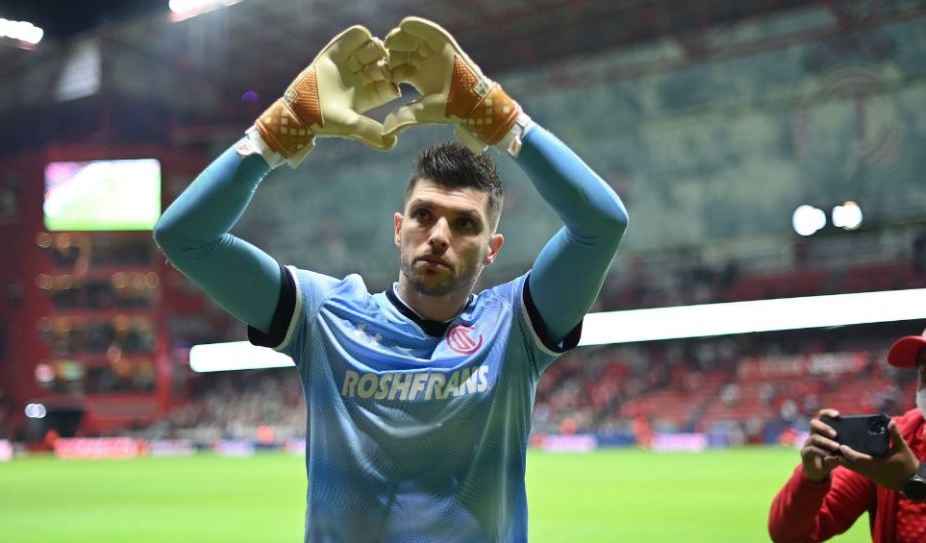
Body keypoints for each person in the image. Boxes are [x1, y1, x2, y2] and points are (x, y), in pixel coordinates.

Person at [154, 17, 628, 542]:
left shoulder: (514, 326)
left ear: (492, 250)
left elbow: (602, 225)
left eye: (465, 223)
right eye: (424, 214)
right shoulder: (323, 316)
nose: (439, 235)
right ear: (398, 228)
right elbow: (184, 237)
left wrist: (505, 123)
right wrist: (278, 129)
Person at [768, 330, 926, 543]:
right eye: (923, 370)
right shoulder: (896, 440)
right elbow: (789, 535)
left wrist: (915, 479)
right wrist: (811, 479)